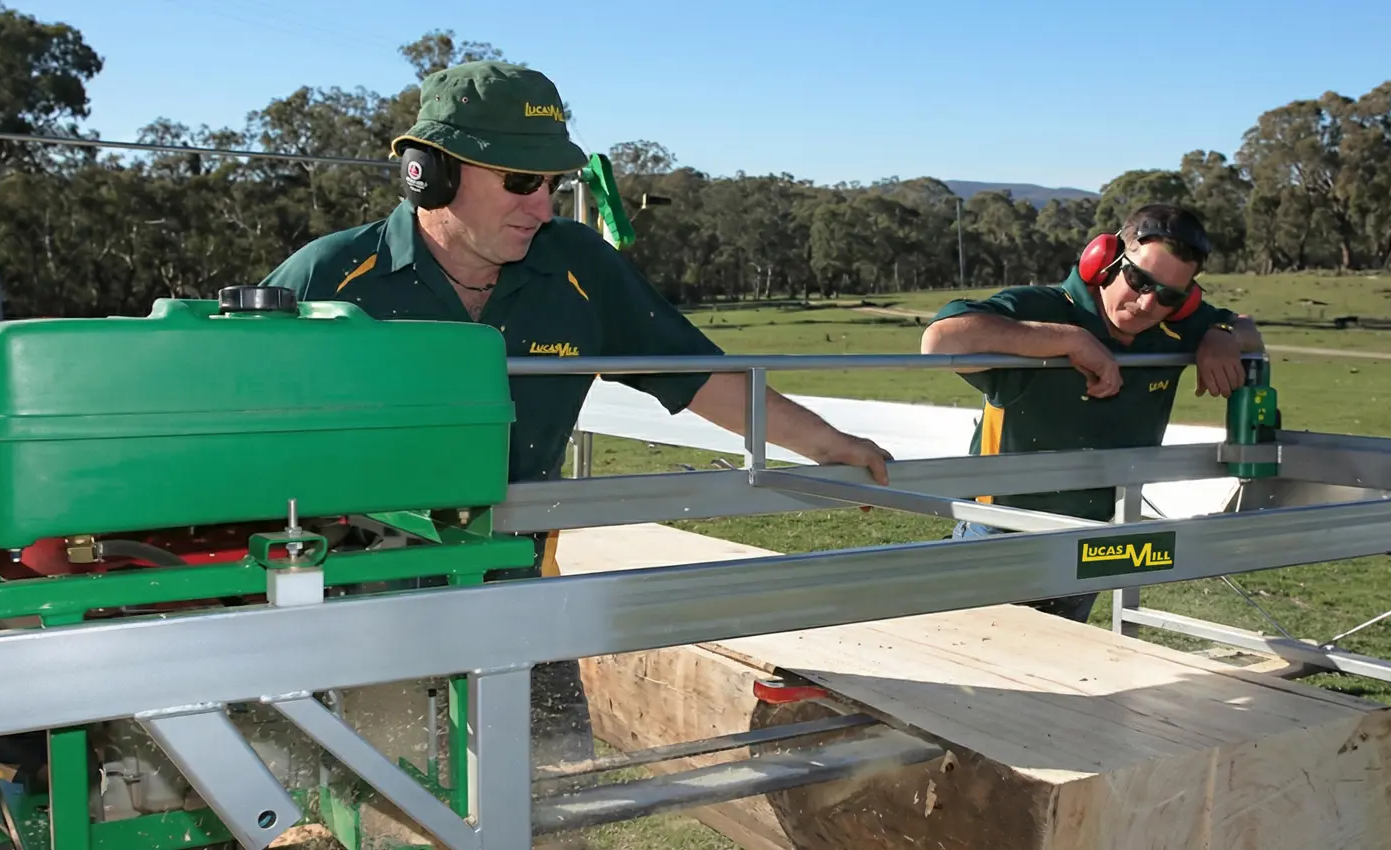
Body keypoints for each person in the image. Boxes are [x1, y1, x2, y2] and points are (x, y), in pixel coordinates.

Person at [256, 60, 895, 771]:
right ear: (428, 174)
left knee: (559, 796)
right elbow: (223, 425)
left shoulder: (577, 268)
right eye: (520, 182)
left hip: (519, 605)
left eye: (552, 185)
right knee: (379, 803)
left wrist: (826, 444)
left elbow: (699, 375)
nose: (542, 207)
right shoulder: (329, 281)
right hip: (362, 618)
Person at [919, 203, 1264, 623]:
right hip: (997, 532)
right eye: (1138, 280)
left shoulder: (1175, 324)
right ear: (1105, 259)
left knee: (1060, 660)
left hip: (1091, 539)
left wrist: (1222, 334)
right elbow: (939, 341)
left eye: (1170, 296)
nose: (1147, 303)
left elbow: (1246, 329)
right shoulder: (1042, 308)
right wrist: (1068, 340)